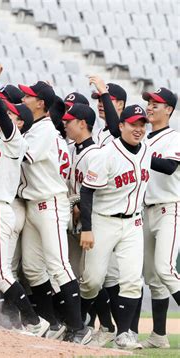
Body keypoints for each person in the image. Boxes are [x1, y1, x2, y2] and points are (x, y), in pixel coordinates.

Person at [0, 59, 51, 335]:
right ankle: (10, 324)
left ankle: (34, 322)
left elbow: (2, 116)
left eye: (13, 114)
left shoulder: (15, 140)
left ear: (19, 122)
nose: (4, 114)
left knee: (2, 274)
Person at [18, 81, 91, 344]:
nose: (23, 99)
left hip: (50, 203)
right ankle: (52, 324)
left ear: (41, 104)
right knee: (33, 269)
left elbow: (23, 156)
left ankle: (79, 327)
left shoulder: (45, 128)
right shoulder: (35, 128)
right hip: (33, 204)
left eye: (28, 96)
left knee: (59, 266)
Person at [79, 105, 153, 349]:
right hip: (104, 220)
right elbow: (87, 191)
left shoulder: (147, 150)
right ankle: (81, 323)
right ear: (121, 126)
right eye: (133, 124)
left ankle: (124, 334)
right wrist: (87, 228)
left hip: (133, 221)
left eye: (142, 124)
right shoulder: (104, 154)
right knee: (92, 281)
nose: (139, 129)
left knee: (132, 279)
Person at [61, 104, 117, 347]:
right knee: (75, 275)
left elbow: (91, 192)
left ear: (83, 123)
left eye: (70, 120)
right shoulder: (73, 148)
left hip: (89, 221)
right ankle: (83, 325)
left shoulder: (95, 153)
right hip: (74, 219)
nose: (65, 123)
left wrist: (77, 208)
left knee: (90, 278)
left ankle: (106, 326)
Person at [141, 87, 180, 349]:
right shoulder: (141, 138)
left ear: (169, 109)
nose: (150, 106)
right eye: (149, 102)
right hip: (145, 210)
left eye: (156, 103)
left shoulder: (175, 138)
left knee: (165, 269)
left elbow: (168, 167)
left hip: (169, 208)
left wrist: (140, 154)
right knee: (153, 279)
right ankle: (158, 336)